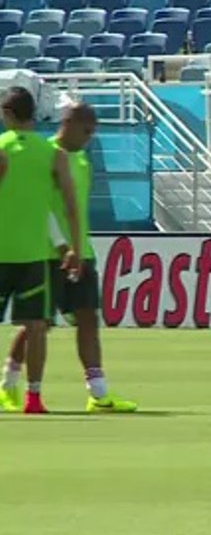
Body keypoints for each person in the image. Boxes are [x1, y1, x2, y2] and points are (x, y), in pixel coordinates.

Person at [4, 103, 137, 414]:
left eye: (93, 132)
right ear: (68, 123)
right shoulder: (46, 155)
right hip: (48, 253)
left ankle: (98, 393)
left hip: (82, 253)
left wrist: (79, 248)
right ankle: (8, 385)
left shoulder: (82, 160)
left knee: (89, 318)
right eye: (86, 131)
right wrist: (62, 245)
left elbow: (76, 210)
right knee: (37, 325)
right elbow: (40, 206)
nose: (89, 138)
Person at [0, 87, 83, 415]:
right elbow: (70, 204)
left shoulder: (2, 149)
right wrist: (73, 247)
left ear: (8, 114)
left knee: (33, 326)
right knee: (36, 326)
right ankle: (34, 397)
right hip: (34, 255)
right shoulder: (54, 154)